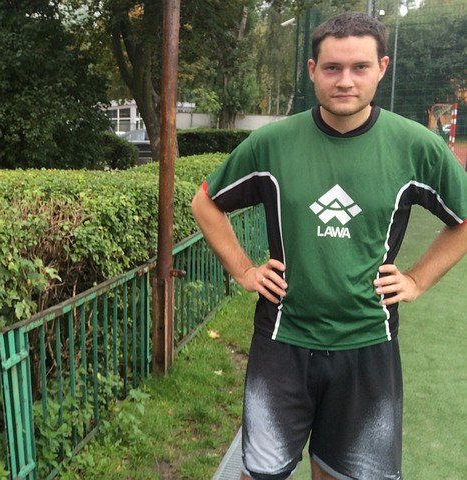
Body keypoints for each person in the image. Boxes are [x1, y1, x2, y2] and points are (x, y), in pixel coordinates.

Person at [191, 12, 467, 480]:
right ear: (312, 70)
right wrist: (243, 270)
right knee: (258, 474)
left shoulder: (416, 146)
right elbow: (205, 203)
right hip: (282, 341)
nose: (345, 81)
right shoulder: (273, 143)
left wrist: (417, 280)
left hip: (368, 344)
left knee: (341, 475)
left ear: (381, 68)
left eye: (359, 67)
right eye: (333, 68)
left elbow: (462, 221)